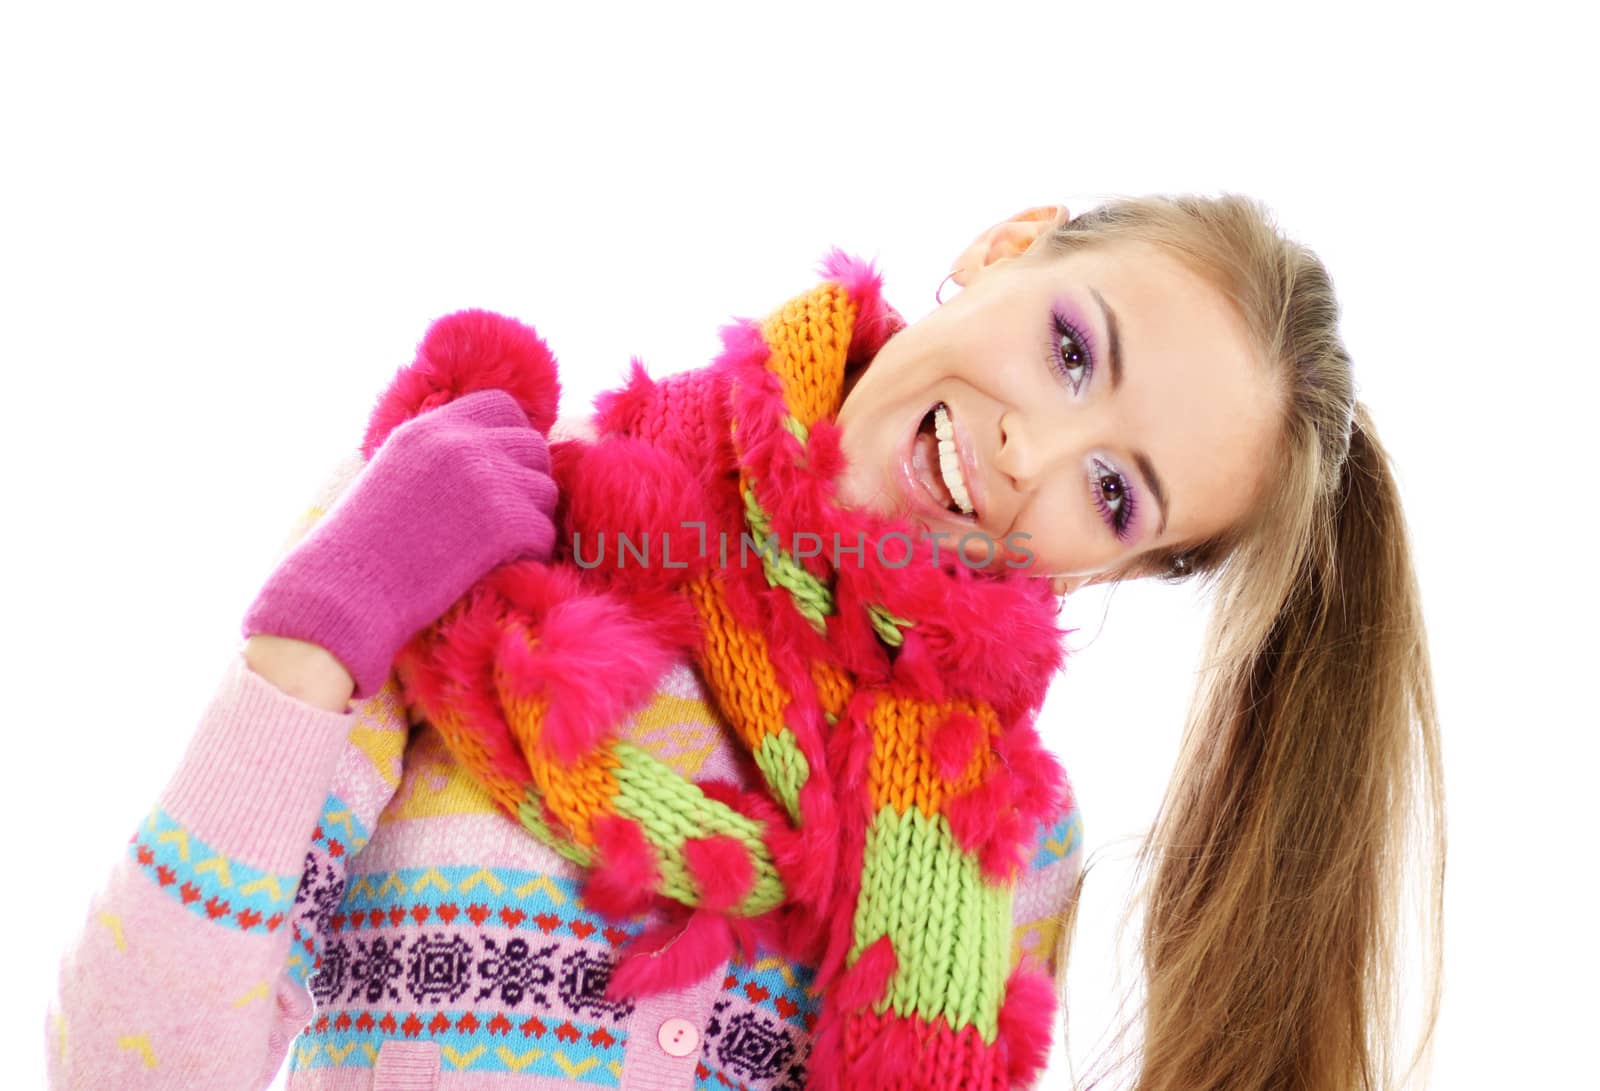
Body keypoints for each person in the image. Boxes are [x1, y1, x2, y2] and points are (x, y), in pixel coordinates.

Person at [43, 193, 1444, 1091]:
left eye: (1116, 489)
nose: (1035, 451)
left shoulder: (1008, 850)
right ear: (1005, 249)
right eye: (1074, 351)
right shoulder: (480, 530)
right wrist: (313, 641)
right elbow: (123, 1072)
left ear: (1124, 563)